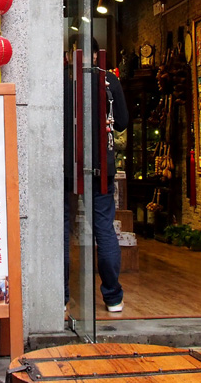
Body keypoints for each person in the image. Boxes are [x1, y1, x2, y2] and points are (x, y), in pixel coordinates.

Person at [63, 37, 129, 314]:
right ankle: (113, 297)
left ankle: (61, 296)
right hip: (101, 165)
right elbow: (122, 122)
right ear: (95, 55)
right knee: (104, 228)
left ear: (70, 55)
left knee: (62, 229)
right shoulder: (109, 80)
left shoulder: (60, 80)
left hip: (65, 165)